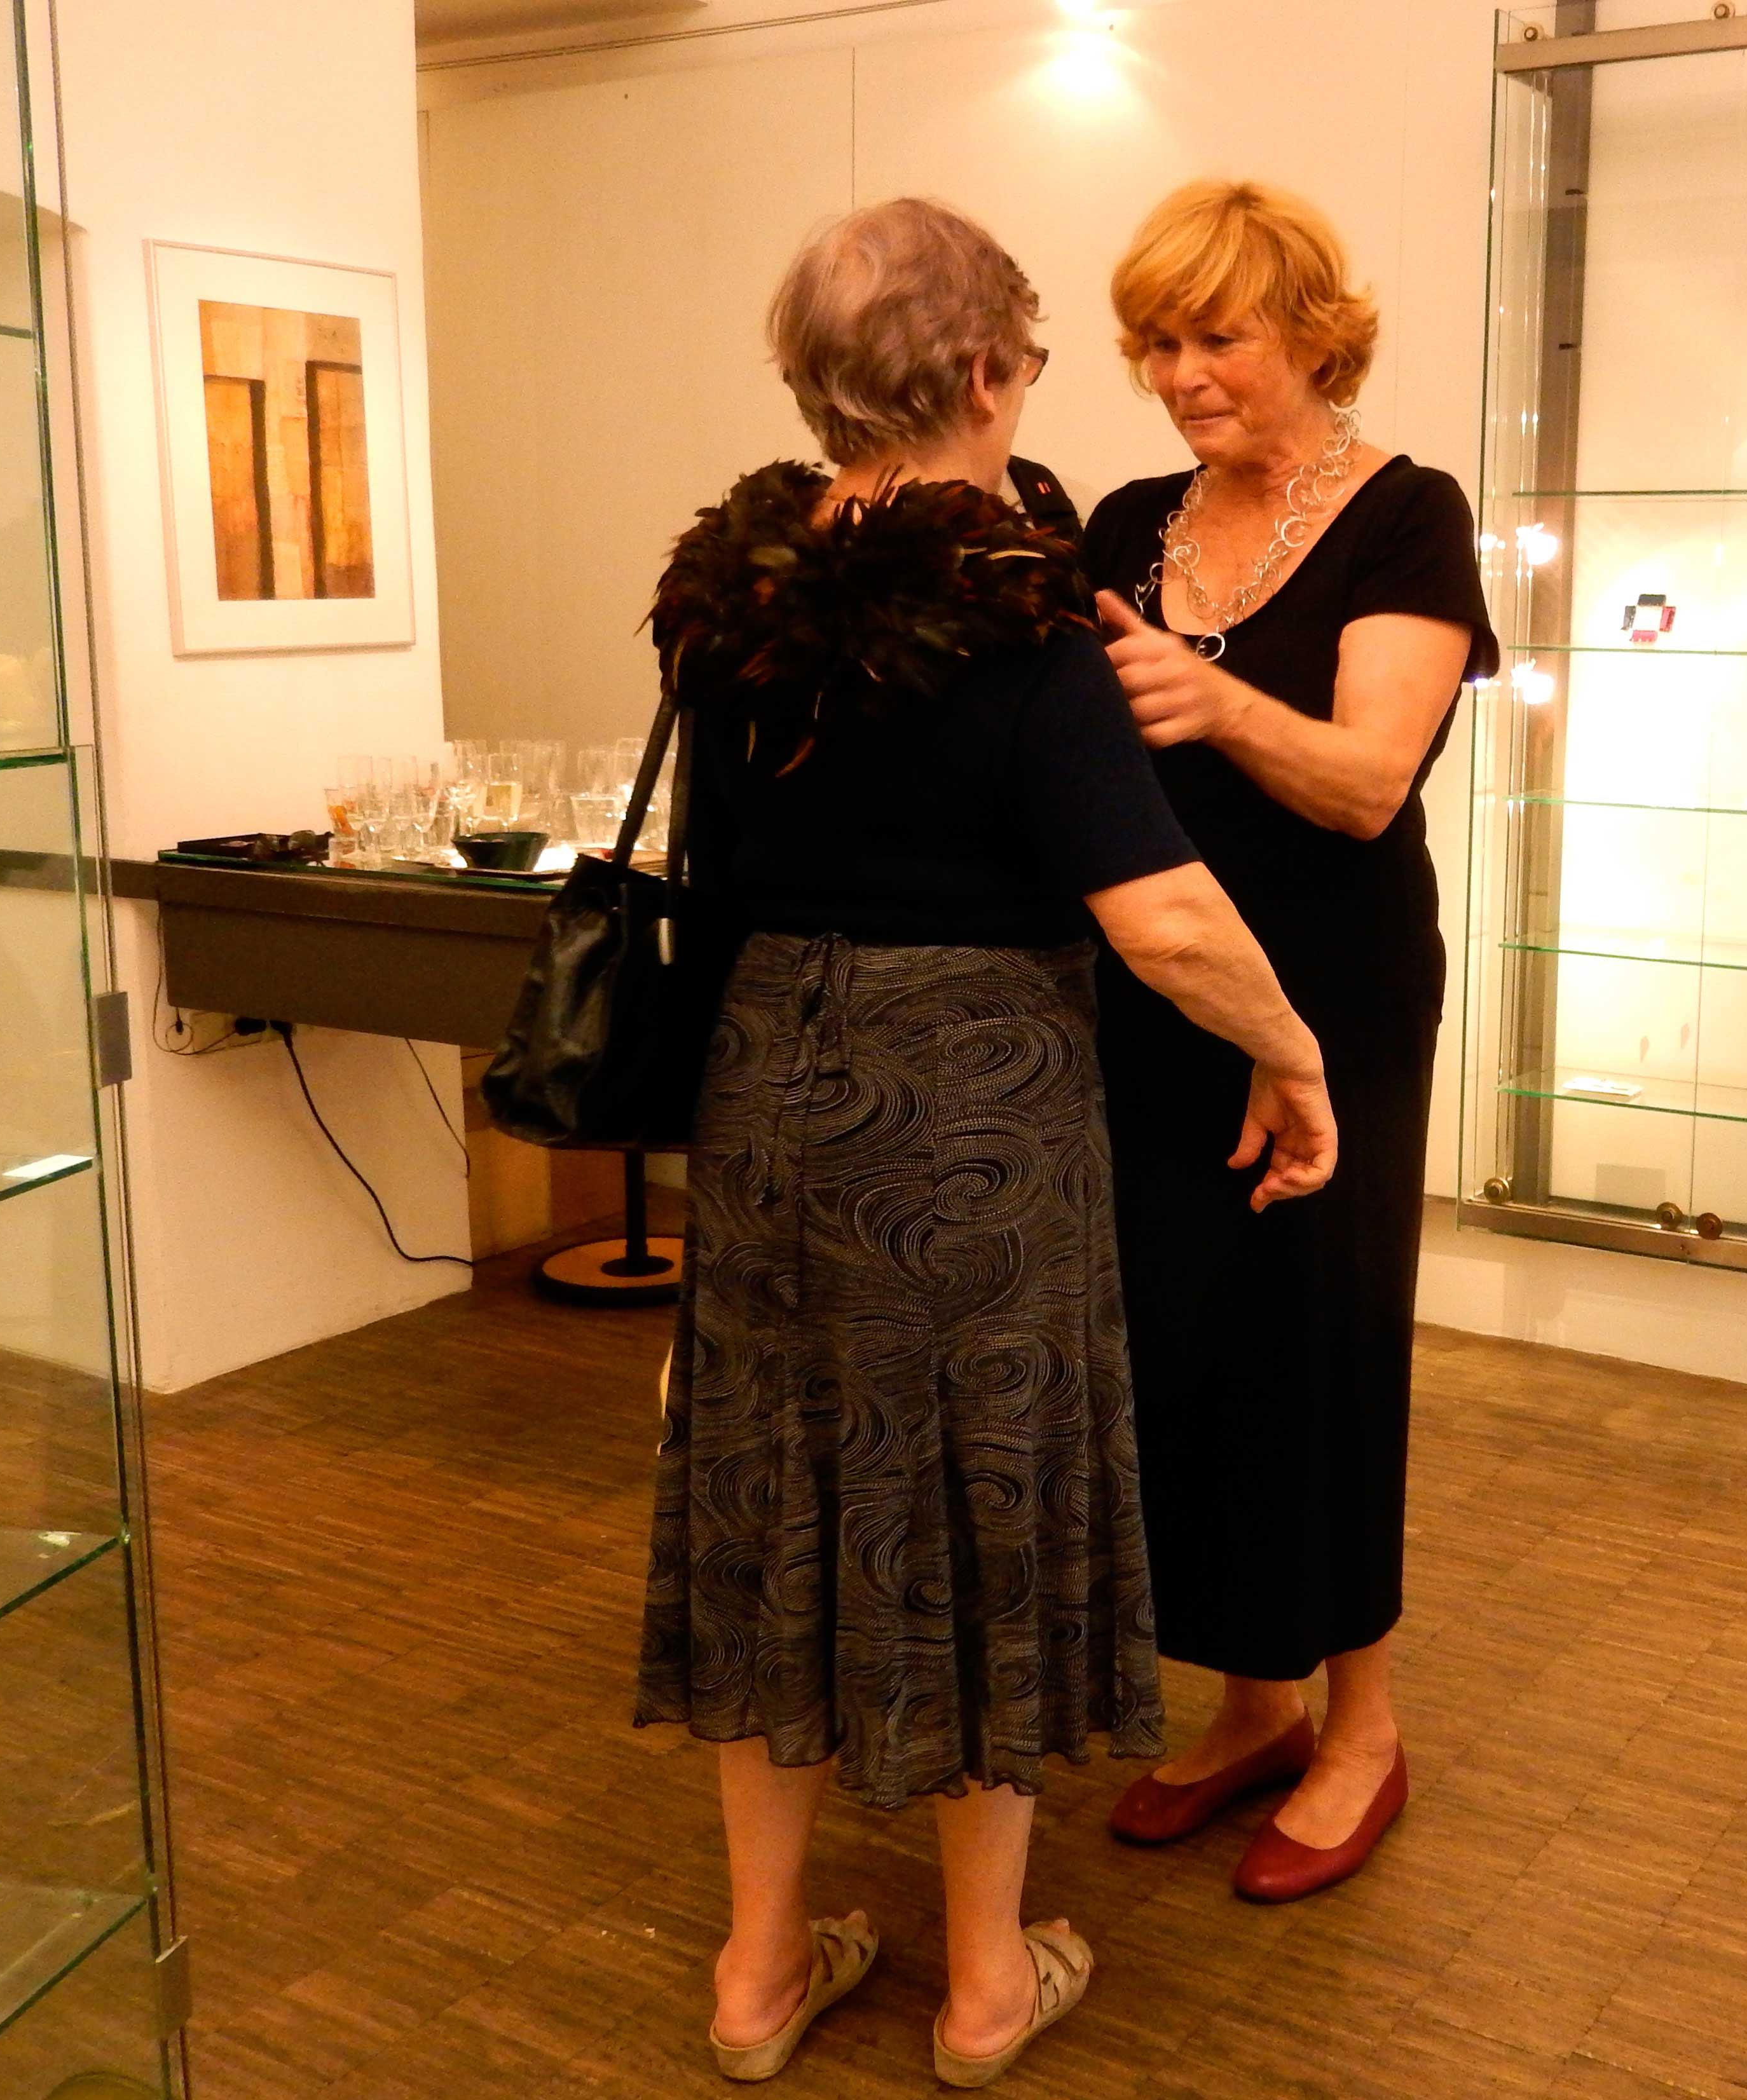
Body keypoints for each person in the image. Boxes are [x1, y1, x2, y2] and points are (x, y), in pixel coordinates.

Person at [634, 196, 1336, 2085]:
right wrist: (1294, 1055)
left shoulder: (730, 595)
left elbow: (721, 865)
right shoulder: (1020, 612)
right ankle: (983, 1986)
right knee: (979, 1502)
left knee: (779, 1499)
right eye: (1025, 360)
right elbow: (1162, 916)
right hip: (974, 1109)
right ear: (973, 373)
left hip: (768, 1089)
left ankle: (758, 1973)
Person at [1080, 180, 1497, 1902]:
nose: (1181, 374)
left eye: (1218, 337)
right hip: (1160, 992)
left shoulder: (1408, 517)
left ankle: (1363, 1727)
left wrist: (1215, 698)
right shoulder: (1125, 524)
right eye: (1156, 343)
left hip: (1334, 1000)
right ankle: (1251, 1702)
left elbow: (1369, 781)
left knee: (1321, 1344)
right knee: (1182, 1343)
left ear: (1314, 335)